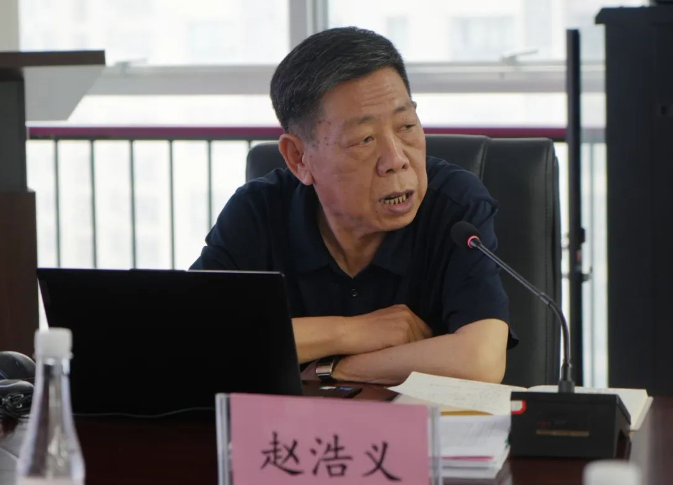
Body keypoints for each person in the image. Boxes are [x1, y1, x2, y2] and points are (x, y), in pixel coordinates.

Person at [191, 27, 516, 385]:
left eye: (406, 125)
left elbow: (480, 361)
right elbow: (187, 338)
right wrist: (349, 332)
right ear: (299, 157)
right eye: (364, 139)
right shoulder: (257, 212)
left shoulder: (455, 207)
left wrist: (332, 369)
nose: (396, 159)